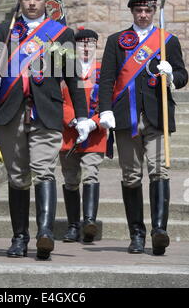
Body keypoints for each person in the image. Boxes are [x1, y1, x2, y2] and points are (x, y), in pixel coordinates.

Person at [0, 0, 91, 260]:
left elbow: (71, 78)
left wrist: (82, 116)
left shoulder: (60, 34)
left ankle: (44, 233)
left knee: (44, 170)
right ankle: (19, 237)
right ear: (20, 1)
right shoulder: (4, 32)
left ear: (47, 2)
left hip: (46, 112)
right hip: (11, 112)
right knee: (18, 177)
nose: (32, 3)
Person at [99, 0, 189, 256]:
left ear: (153, 12)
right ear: (132, 12)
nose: (143, 15)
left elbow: (183, 76)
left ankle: (159, 231)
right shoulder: (117, 40)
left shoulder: (166, 41)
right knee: (131, 175)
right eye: (138, 10)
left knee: (159, 170)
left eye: (148, 10)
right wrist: (105, 110)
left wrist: (172, 74)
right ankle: (136, 234)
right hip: (126, 116)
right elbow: (107, 79)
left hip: (156, 115)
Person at [60, 27, 107, 243]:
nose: (86, 48)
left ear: (96, 46)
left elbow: (110, 100)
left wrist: (93, 122)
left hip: (95, 133)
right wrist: (72, 119)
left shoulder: (104, 70)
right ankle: (72, 225)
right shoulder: (65, 69)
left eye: (90, 44)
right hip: (69, 132)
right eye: (81, 44)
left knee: (91, 173)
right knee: (70, 179)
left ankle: (89, 221)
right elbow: (56, 99)